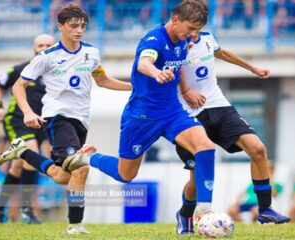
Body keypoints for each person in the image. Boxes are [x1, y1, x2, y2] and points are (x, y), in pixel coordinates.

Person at [63, 0, 217, 225]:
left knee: (205, 147)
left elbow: (179, 63)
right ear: (175, 20)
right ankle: (88, 156)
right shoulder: (153, 39)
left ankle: (204, 213)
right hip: (141, 116)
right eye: (191, 29)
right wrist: (155, 72)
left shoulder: (184, 40)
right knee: (126, 175)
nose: (194, 35)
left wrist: (185, 89)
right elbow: (144, 63)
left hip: (172, 112)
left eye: (198, 30)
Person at [0, 4, 132, 234]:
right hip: (58, 117)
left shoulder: (92, 52)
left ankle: (22, 151)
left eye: (83, 26)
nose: (79, 30)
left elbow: (103, 80)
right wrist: (29, 112)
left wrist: (133, 88)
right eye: (73, 26)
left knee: (62, 176)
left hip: (81, 119)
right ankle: (75, 225)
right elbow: (18, 86)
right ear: (61, 26)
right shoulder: (47, 57)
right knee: (81, 167)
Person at [173, 20, 290, 235]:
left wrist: (252, 68)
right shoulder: (173, 44)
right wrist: (187, 90)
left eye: (198, 25)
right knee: (196, 178)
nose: (194, 30)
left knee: (257, 149)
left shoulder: (207, 39)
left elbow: (223, 53)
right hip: (188, 114)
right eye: (191, 25)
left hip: (218, 105)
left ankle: (265, 210)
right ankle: (185, 214)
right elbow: (173, 68)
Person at [0, 34, 55, 224]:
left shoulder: (57, 72)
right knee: (32, 152)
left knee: (19, 165)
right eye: (40, 45)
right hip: (17, 120)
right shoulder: (20, 69)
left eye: (48, 45)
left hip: (40, 125)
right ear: (34, 48)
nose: (44, 48)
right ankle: (27, 209)